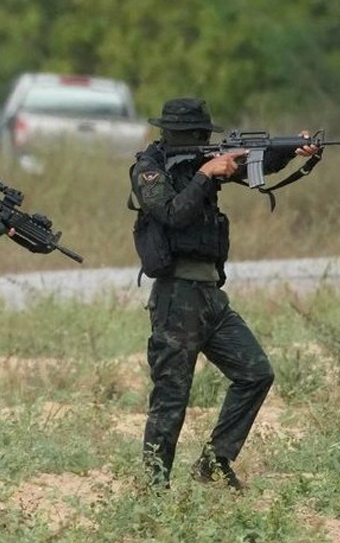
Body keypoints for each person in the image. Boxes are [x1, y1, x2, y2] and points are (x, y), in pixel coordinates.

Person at [131, 97, 317, 489]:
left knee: (255, 374)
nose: (202, 140)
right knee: (171, 397)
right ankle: (153, 490)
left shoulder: (205, 162)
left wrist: (290, 151)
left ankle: (214, 464)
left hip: (211, 296)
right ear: (174, 133)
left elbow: (255, 165)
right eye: (195, 134)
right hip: (176, 298)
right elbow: (171, 213)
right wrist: (205, 175)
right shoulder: (149, 169)